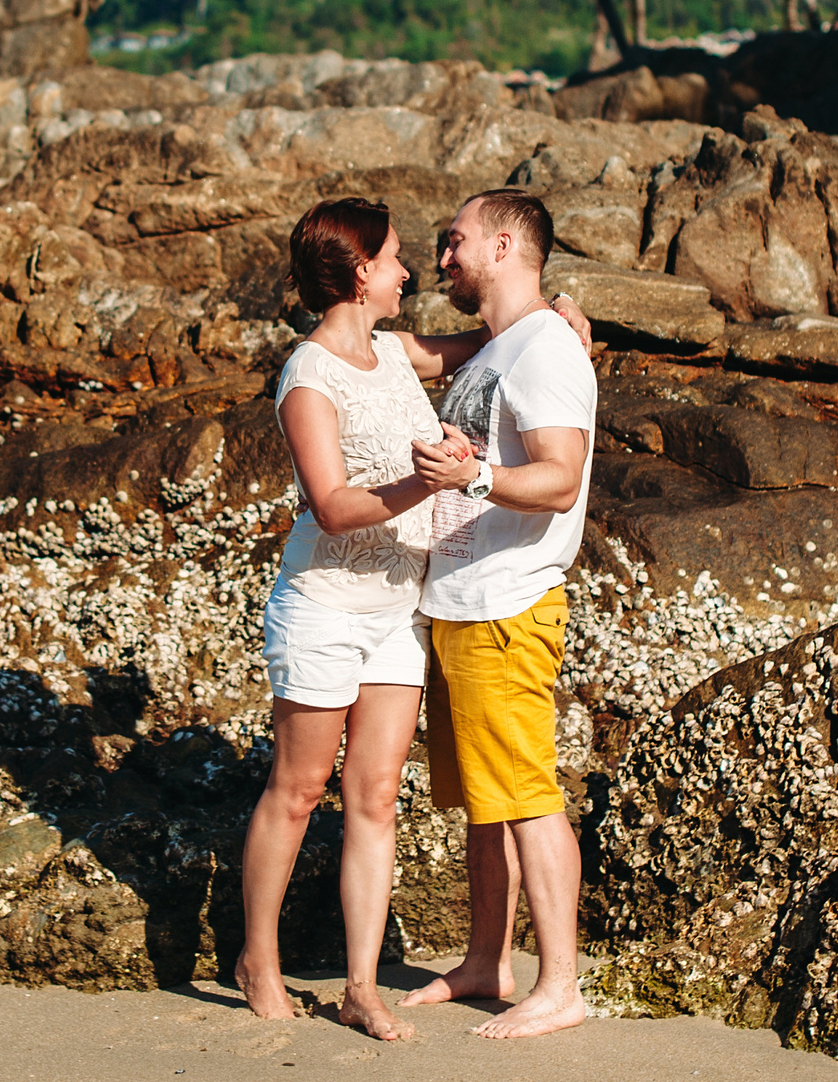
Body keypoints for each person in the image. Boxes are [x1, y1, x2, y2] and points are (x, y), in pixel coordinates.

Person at [237, 197, 584, 1042]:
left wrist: (564, 317)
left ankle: (362, 984)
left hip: (402, 608)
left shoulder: (398, 351)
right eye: (397, 258)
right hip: (328, 604)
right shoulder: (309, 375)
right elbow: (328, 503)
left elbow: (498, 352)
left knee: (380, 794)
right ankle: (260, 957)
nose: (414, 268)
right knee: (298, 787)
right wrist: (433, 484)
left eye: (435, 248)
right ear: (360, 274)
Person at [400, 187, 597, 1039]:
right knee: (488, 798)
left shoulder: (548, 348)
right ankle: (488, 958)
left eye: (454, 241)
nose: (442, 258)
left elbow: (560, 478)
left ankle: (561, 984)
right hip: (460, 600)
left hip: (510, 601)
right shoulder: (499, 344)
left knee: (526, 793)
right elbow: (402, 352)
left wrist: (472, 479)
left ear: (506, 243)